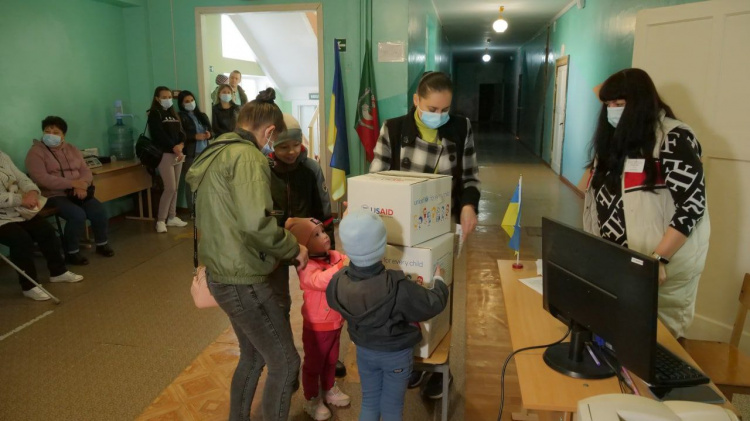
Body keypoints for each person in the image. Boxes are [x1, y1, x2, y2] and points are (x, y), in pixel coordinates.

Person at [186, 87, 308, 421]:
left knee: (253, 356)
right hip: (242, 279)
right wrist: (294, 247)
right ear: (270, 131)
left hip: (220, 271)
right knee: (285, 362)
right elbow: (257, 225)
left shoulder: (215, 151)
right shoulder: (249, 157)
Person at [369, 71, 480, 397]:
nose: (439, 115)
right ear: (416, 100)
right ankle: (410, 362)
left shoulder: (461, 128)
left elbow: (471, 177)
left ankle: (437, 368)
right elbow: (377, 177)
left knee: (439, 293)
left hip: (441, 226)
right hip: (401, 228)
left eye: (445, 109)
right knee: (400, 295)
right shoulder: (394, 128)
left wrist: (469, 206)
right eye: (432, 108)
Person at [581, 68, 710, 338]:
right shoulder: (618, 138)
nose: (612, 111)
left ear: (640, 103)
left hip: (658, 269)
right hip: (618, 264)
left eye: (620, 104)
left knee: (654, 346)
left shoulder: (673, 138)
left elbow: (692, 206)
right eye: (608, 105)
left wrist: (658, 259)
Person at [326, 210, 449, 421]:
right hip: (396, 355)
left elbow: (332, 301)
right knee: (392, 408)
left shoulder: (338, 281)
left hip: (364, 351)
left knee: (369, 401)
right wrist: (439, 281)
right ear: (383, 248)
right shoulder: (397, 285)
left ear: (346, 248)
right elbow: (432, 303)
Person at [26, 116, 115, 265]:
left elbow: (85, 170)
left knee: (98, 210)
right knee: (77, 215)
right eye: (47, 131)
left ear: (63, 135)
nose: (50, 135)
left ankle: (102, 244)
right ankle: (71, 252)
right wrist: (72, 183)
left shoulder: (72, 149)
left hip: (78, 191)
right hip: (53, 194)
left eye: (55, 132)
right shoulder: (36, 152)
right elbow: (41, 178)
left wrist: (83, 185)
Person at [285, 217, 350, 420]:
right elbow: (319, 280)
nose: (324, 236)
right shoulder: (306, 265)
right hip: (317, 327)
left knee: (331, 360)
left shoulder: (332, 256)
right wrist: (341, 268)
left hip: (336, 323)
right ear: (304, 244)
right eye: (317, 234)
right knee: (314, 364)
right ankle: (311, 399)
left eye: (323, 231)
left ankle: (329, 388)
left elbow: (345, 259)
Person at [0, 150, 83, 300]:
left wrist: (31, 192)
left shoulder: (3, 156)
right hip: (2, 218)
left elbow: (21, 178)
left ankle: (58, 272)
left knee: (46, 231)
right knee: (21, 240)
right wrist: (21, 199)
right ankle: (29, 286)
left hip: (17, 211)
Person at [147, 86, 189, 233]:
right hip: (165, 154)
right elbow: (158, 135)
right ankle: (160, 220)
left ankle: (172, 217)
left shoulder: (173, 113)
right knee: (169, 187)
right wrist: (173, 147)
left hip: (178, 153)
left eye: (169, 96)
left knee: (175, 187)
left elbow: (181, 131)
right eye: (164, 97)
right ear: (157, 98)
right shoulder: (154, 113)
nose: (167, 99)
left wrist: (181, 144)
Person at [176, 90, 212, 215]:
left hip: (205, 152)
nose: (190, 103)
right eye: (186, 101)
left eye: (191, 100)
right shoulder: (180, 117)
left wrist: (209, 134)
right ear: (181, 104)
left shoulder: (202, 115)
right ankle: (193, 210)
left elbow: (211, 131)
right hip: (190, 153)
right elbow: (180, 135)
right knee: (191, 182)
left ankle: (204, 208)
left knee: (205, 182)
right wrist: (194, 136)